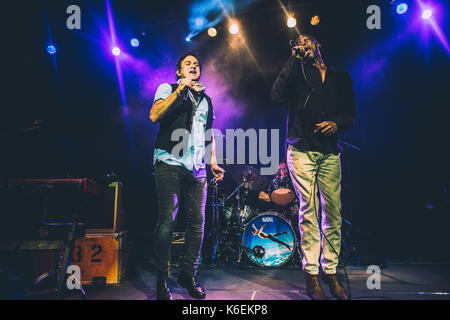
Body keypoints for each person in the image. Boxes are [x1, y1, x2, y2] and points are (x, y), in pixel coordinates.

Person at [271, 34, 356, 300]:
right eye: (298, 42)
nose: (302, 44)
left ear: (319, 45)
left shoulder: (340, 76)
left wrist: (337, 124)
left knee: (333, 210)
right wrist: (292, 59)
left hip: (330, 151)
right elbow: (276, 95)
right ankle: (311, 274)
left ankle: (330, 271)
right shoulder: (296, 74)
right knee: (310, 210)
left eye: (307, 41)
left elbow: (350, 114)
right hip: (301, 150)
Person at [149, 52, 225, 300]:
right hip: (169, 160)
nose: (193, 66)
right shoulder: (167, 88)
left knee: (197, 222)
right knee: (167, 221)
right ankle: (162, 281)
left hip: (197, 167)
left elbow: (209, 132)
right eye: (188, 64)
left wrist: (213, 161)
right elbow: (154, 115)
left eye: (196, 64)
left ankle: (187, 275)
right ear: (179, 71)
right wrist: (180, 90)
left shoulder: (206, 100)